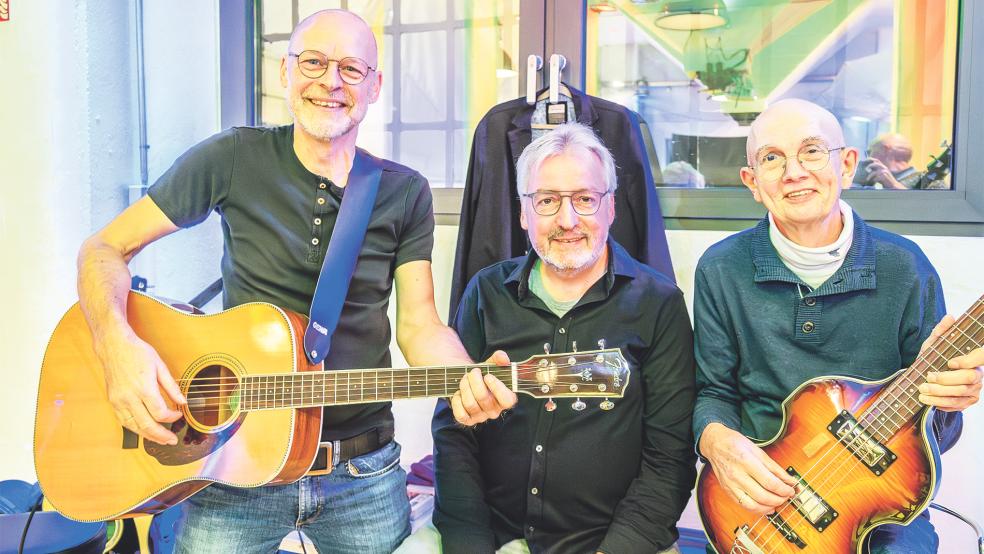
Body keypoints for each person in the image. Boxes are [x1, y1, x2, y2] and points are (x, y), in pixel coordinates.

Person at [76, 9, 515, 553]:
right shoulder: (231, 157)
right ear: (285, 72)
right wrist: (117, 346)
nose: (330, 81)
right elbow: (103, 249)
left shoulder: (405, 192)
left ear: (374, 86)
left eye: (351, 69)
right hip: (236, 462)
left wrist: (466, 377)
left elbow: (419, 326)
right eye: (313, 62)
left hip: (363, 473)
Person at [693, 98, 983, 552]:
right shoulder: (721, 268)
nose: (793, 172)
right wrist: (715, 442)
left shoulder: (906, 268)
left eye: (812, 151)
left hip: (877, 510)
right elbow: (713, 391)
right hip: (759, 511)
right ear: (751, 181)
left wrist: (948, 403)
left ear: (846, 165)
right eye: (772, 158)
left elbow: (936, 436)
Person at [420, 123, 697, 554]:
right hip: (492, 535)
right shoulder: (486, 293)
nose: (567, 221)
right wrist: (469, 544)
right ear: (523, 213)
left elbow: (670, 458)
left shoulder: (659, 304)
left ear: (610, 208)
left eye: (585, 199)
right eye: (547, 201)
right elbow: (454, 431)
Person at [855, 132, 920, 189]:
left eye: (869, 152)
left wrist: (893, 186)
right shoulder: (883, 180)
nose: (868, 158)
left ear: (884, 149)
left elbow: (920, 202)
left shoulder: (924, 180)